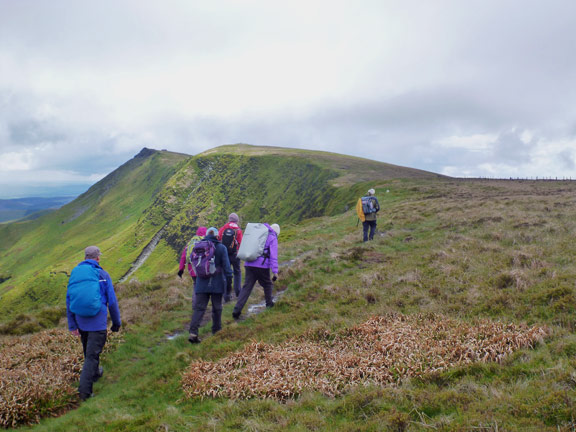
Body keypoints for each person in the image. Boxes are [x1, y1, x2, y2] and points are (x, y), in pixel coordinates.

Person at [66, 246, 121, 402]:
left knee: (88, 352)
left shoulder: (76, 274)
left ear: (85, 258)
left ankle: (95, 374)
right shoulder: (102, 274)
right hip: (97, 323)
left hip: (81, 321)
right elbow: (112, 302)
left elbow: (69, 300)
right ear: (97, 258)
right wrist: (116, 323)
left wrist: (72, 325)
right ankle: (85, 393)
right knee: (92, 356)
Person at [188, 227, 233, 344]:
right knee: (217, 307)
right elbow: (228, 269)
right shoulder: (221, 248)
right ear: (218, 236)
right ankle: (216, 330)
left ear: (206, 235)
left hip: (201, 282)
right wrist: (229, 286)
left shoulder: (199, 246)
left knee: (199, 308)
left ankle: (193, 333)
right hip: (217, 283)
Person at [232, 223, 279, 320]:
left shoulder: (258, 233)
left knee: (247, 287)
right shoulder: (272, 237)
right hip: (262, 265)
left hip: (249, 263)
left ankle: (236, 310)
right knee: (267, 284)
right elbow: (274, 256)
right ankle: (269, 304)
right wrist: (275, 272)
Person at [178, 226, 207, 306]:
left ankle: (195, 304)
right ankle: (200, 305)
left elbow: (183, 257)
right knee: (203, 285)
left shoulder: (190, 243)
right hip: (202, 268)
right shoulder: (205, 241)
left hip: (192, 269)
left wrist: (181, 270)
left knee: (195, 285)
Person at [217, 213, 243, 302]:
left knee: (225, 274)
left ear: (229, 219)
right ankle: (238, 292)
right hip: (235, 254)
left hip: (225, 255)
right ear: (236, 220)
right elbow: (240, 242)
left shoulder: (224, 228)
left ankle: (226, 295)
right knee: (237, 272)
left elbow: (218, 238)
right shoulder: (238, 230)